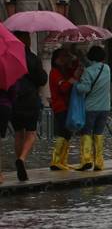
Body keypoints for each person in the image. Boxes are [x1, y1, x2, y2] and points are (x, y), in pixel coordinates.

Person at [9, 32, 48, 181]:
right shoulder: (33, 58)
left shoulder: (9, 57)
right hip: (30, 100)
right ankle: (22, 159)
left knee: (18, 133)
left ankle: (19, 160)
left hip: (14, 100)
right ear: (27, 41)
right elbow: (42, 79)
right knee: (31, 133)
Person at [74, 45, 111, 171]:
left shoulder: (88, 72)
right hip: (105, 107)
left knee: (86, 133)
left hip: (90, 108)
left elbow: (84, 89)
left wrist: (76, 83)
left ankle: (86, 160)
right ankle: (99, 162)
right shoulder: (107, 69)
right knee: (98, 134)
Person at [49, 48, 80, 170]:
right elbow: (63, 88)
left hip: (68, 106)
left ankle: (62, 160)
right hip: (60, 107)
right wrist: (73, 80)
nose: (66, 58)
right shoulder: (55, 72)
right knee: (62, 133)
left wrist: (74, 57)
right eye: (63, 56)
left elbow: (75, 69)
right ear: (57, 60)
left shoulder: (64, 71)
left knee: (67, 133)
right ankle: (56, 161)